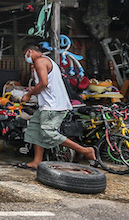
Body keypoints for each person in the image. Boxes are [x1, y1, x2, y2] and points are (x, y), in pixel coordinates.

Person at [16, 42, 96, 170]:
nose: (26, 58)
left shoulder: (40, 61)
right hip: (47, 105)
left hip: (53, 106)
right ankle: (37, 161)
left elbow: (44, 83)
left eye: (25, 55)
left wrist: (29, 94)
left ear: (30, 52)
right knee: (35, 129)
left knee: (49, 133)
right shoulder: (48, 61)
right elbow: (47, 84)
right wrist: (34, 88)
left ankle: (85, 151)